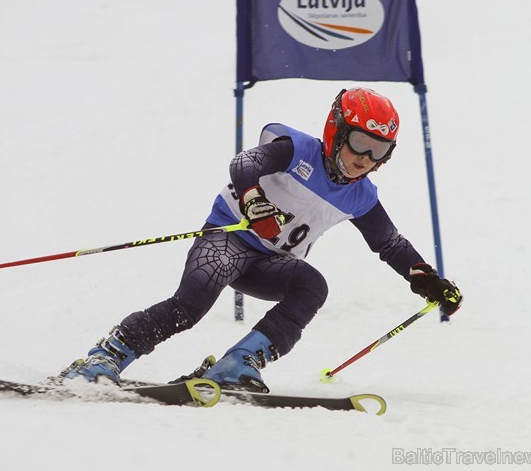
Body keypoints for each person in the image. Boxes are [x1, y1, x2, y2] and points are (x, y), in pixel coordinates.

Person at [58, 87, 463, 392]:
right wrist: (254, 201)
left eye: (380, 151)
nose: (365, 159)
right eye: (359, 143)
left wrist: (425, 279)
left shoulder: (361, 195)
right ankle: (106, 356)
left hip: (268, 266)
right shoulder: (297, 150)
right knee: (191, 306)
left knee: (312, 285)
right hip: (227, 242)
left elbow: (389, 244)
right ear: (335, 131)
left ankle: (238, 363)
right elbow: (245, 163)